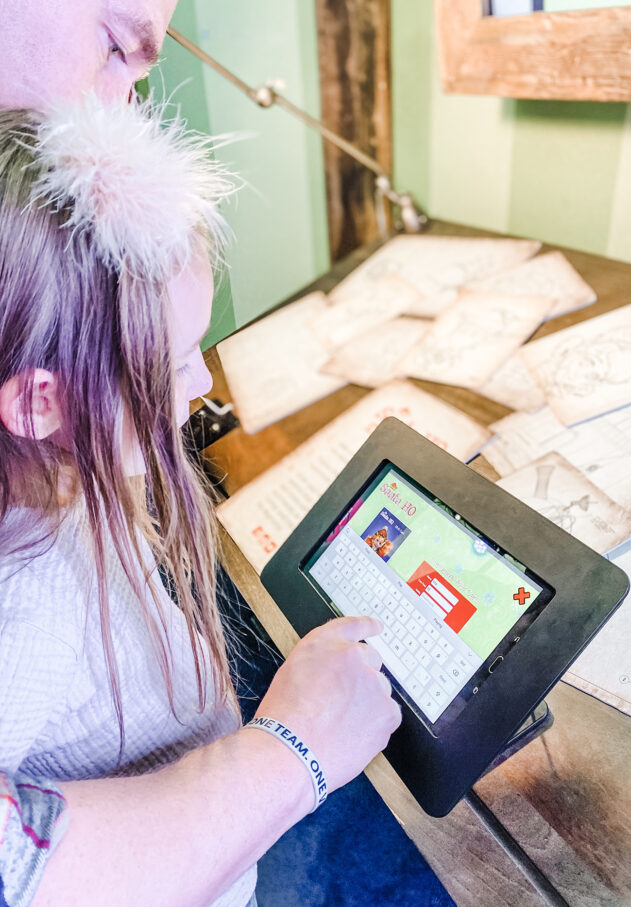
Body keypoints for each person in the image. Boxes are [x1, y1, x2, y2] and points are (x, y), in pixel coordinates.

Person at [0, 6, 400, 906]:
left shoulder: (64, 479)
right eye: (178, 363)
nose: (201, 386)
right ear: (38, 401)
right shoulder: (22, 609)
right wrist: (290, 744)